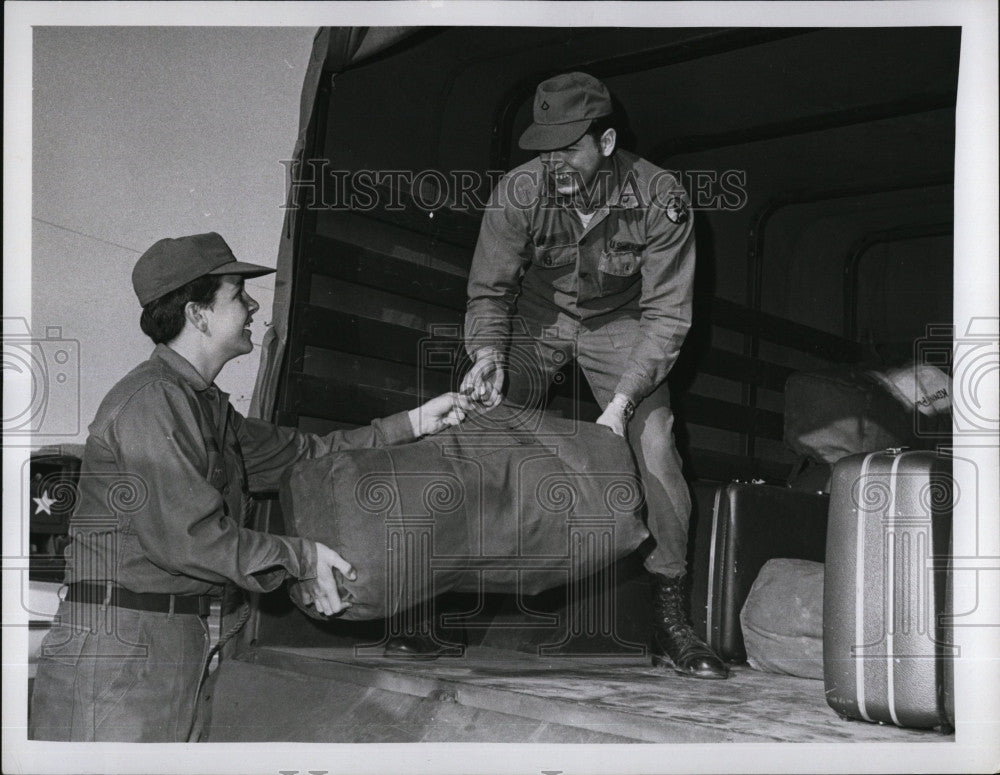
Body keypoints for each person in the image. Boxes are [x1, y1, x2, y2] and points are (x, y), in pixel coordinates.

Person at [29, 232, 473, 741]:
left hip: (171, 641)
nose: (253, 303)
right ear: (198, 315)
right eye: (237, 294)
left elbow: (306, 457)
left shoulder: (205, 407)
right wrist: (303, 558)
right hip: (120, 647)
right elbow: (190, 539)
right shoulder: (152, 403)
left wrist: (416, 422)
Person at [461, 72, 728, 679]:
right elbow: (489, 292)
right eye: (543, 148)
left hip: (624, 322)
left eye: (568, 147)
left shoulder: (661, 196)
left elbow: (667, 314)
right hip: (538, 315)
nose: (552, 162)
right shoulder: (518, 192)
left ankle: (670, 618)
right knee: (478, 425)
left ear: (606, 143)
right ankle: (438, 605)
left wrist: (626, 401)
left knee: (657, 448)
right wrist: (487, 356)